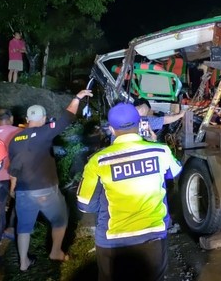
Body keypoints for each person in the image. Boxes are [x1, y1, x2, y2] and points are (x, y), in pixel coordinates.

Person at [76, 102, 182, 281]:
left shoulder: (98, 161)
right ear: (140, 123)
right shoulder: (160, 151)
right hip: (153, 235)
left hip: (113, 241)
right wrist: (152, 141)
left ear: (111, 129)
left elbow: (85, 205)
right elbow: (174, 172)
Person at [8, 89, 93, 271]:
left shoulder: (15, 139)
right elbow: (67, 117)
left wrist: (12, 188)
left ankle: (23, 263)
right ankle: (55, 251)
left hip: (23, 190)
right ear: (44, 118)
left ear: (27, 118)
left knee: (23, 227)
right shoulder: (42, 133)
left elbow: (14, 167)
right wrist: (77, 98)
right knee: (60, 219)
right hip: (44, 190)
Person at [0, 109, 22, 241]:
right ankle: (11, 228)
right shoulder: (19, 132)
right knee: (19, 202)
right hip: (15, 175)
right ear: (11, 118)